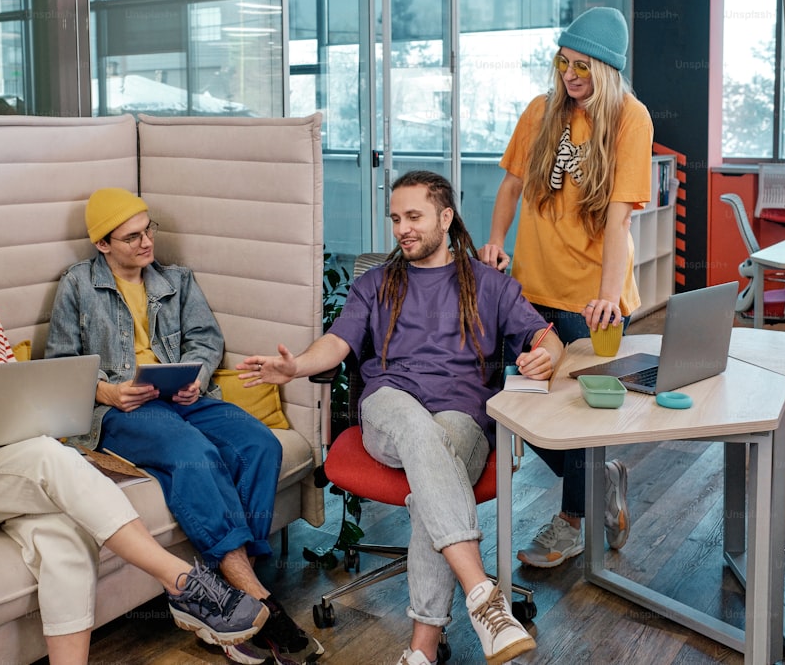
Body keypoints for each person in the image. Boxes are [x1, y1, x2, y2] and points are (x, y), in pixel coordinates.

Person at [0, 189, 269, 665]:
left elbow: (15, 396)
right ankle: (183, 583)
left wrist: (38, 418)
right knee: (50, 457)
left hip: (2, 464)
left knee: (67, 541)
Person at [239, 170, 561, 665]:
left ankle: (421, 654)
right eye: (395, 218)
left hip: (463, 420)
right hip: (388, 408)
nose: (402, 228)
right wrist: (297, 366)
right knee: (414, 426)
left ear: (446, 218)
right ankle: (482, 594)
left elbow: (544, 338)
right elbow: (339, 341)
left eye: (414, 217)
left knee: (433, 466)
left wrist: (550, 355)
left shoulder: (489, 284)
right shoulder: (375, 284)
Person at [44, 187, 322, 665]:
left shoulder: (177, 280)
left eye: (148, 229)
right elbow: (61, 363)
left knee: (258, 444)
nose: (147, 242)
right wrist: (110, 391)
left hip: (182, 396)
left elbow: (205, 340)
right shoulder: (77, 285)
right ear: (103, 245)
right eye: (132, 237)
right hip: (122, 409)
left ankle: (233, 607)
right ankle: (262, 606)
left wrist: (195, 374)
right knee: (195, 453)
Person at [478, 6, 653, 569]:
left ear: (606, 70)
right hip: (529, 293)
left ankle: (573, 521)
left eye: (582, 66)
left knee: (581, 415)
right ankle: (600, 477)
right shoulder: (540, 112)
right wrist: (496, 240)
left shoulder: (630, 118)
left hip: (592, 299)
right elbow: (510, 185)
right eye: (562, 62)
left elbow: (620, 220)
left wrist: (605, 298)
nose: (570, 75)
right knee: (529, 408)